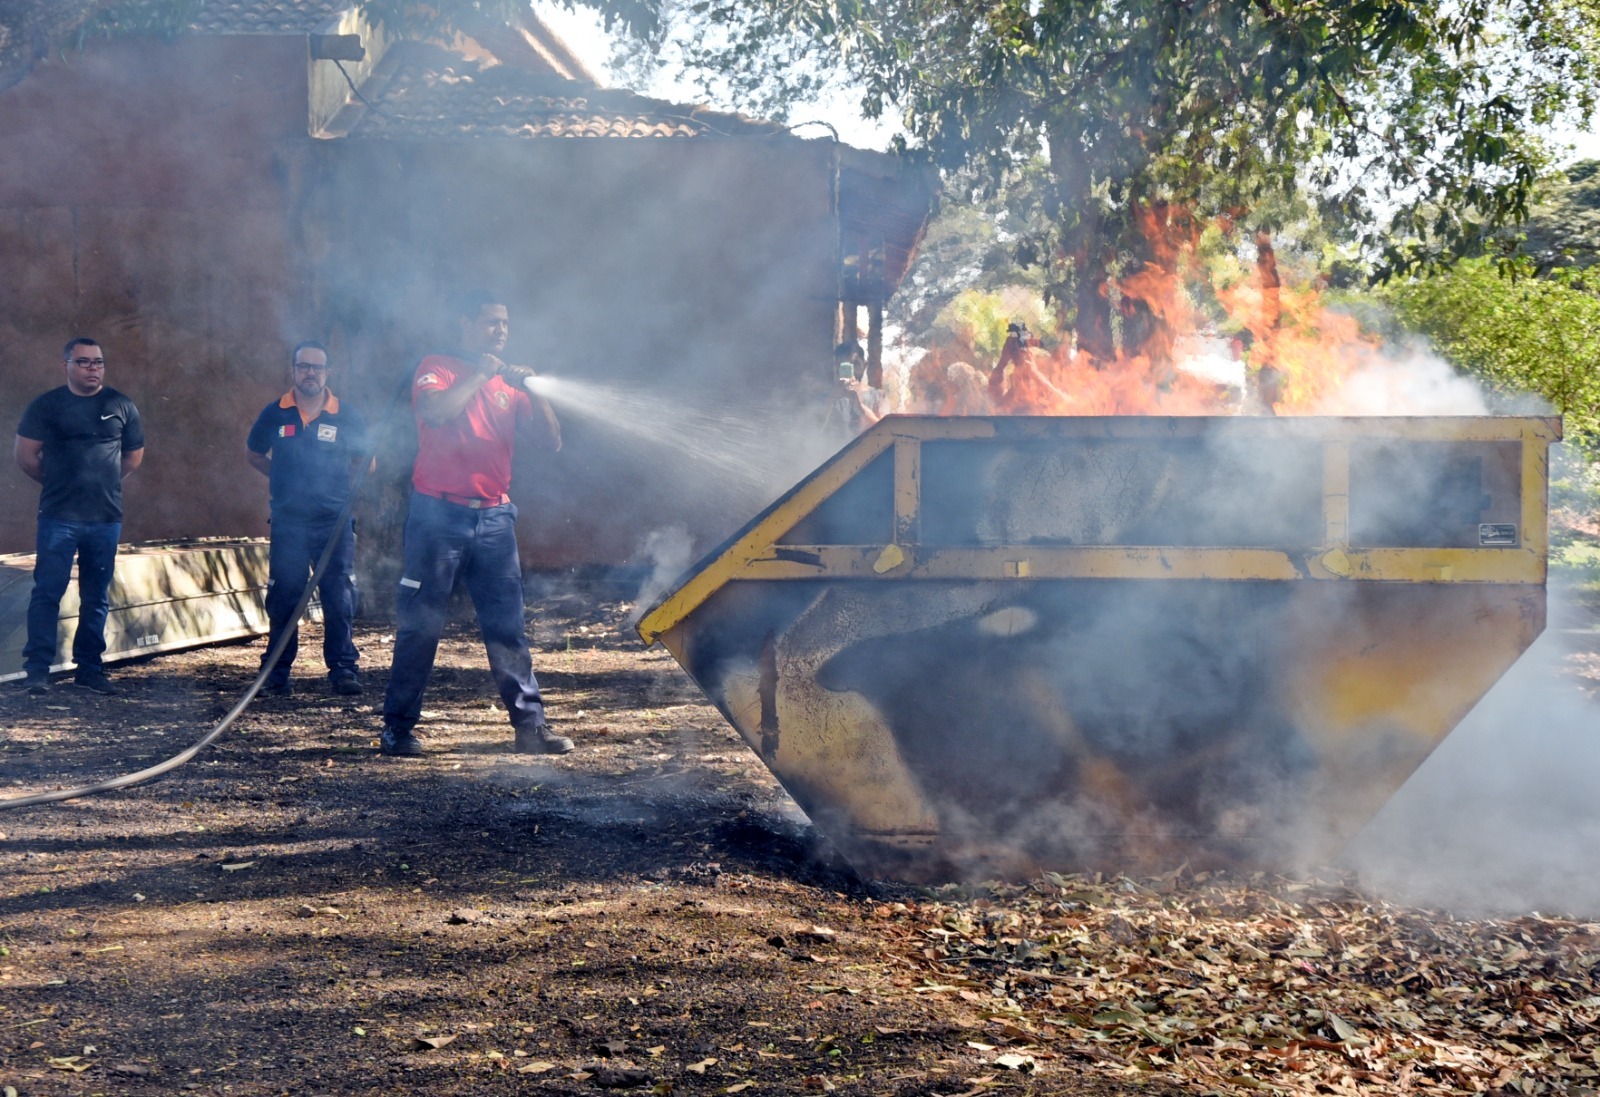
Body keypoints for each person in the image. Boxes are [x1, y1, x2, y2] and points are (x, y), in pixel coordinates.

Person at [378, 290, 570, 757]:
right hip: (437, 515)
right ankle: (397, 730)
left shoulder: (510, 384)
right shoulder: (437, 366)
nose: (501, 331)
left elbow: (551, 442)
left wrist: (536, 392)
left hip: (495, 518)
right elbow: (436, 412)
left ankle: (530, 729)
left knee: (508, 627)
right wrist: (482, 372)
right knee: (420, 624)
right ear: (465, 324)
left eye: (505, 323)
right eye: (490, 323)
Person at [13, 337, 145, 696]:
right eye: (84, 362)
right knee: (47, 592)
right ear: (66, 365)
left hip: (104, 518)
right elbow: (26, 456)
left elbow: (133, 456)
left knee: (96, 596)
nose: (93, 369)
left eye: (98, 362)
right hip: (58, 516)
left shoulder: (120, 405)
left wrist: (101, 484)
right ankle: (37, 671)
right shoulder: (47, 405)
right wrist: (59, 483)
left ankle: (89, 669)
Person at [246, 340, 369, 697]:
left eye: (317, 367)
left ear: (327, 372)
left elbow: (367, 463)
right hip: (289, 522)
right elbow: (253, 454)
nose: (310, 373)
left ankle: (344, 669)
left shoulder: (346, 415)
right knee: (284, 596)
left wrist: (340, 496)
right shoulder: (275, 413)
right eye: (304, 367)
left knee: (338, 595)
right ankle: (277, 671)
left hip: (334, 523)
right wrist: (282, 481)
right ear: (293, 370)